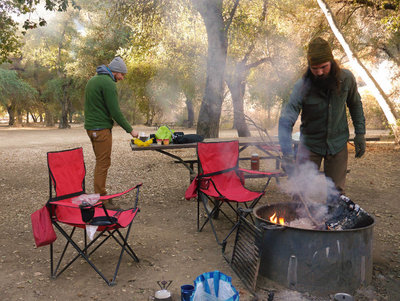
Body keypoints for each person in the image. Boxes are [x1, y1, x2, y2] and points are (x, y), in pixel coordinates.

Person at [278, 37, 366, 197]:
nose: (319, 72)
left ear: (331, 62)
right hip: (310, 145)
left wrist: (360, 133)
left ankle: (333, 221)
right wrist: (287, 154)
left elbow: (355, 105)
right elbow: (286, 120)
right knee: (300, 192)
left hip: (337, 144)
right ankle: (299, 221)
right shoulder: (302, 86)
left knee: (336, 193)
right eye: (314, 68)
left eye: (323, 67)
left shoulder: (346, 79)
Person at [84, 56, 138, 208]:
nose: (122, 78)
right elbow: (115, 111)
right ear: (115, 72)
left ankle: (102, 196)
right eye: (122, 74)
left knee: (100, 163)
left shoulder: (93, 80)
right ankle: (102, 200)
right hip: (101, 130)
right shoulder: (108, 83)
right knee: (103, 163)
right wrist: (130, 130)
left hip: (91, 129)